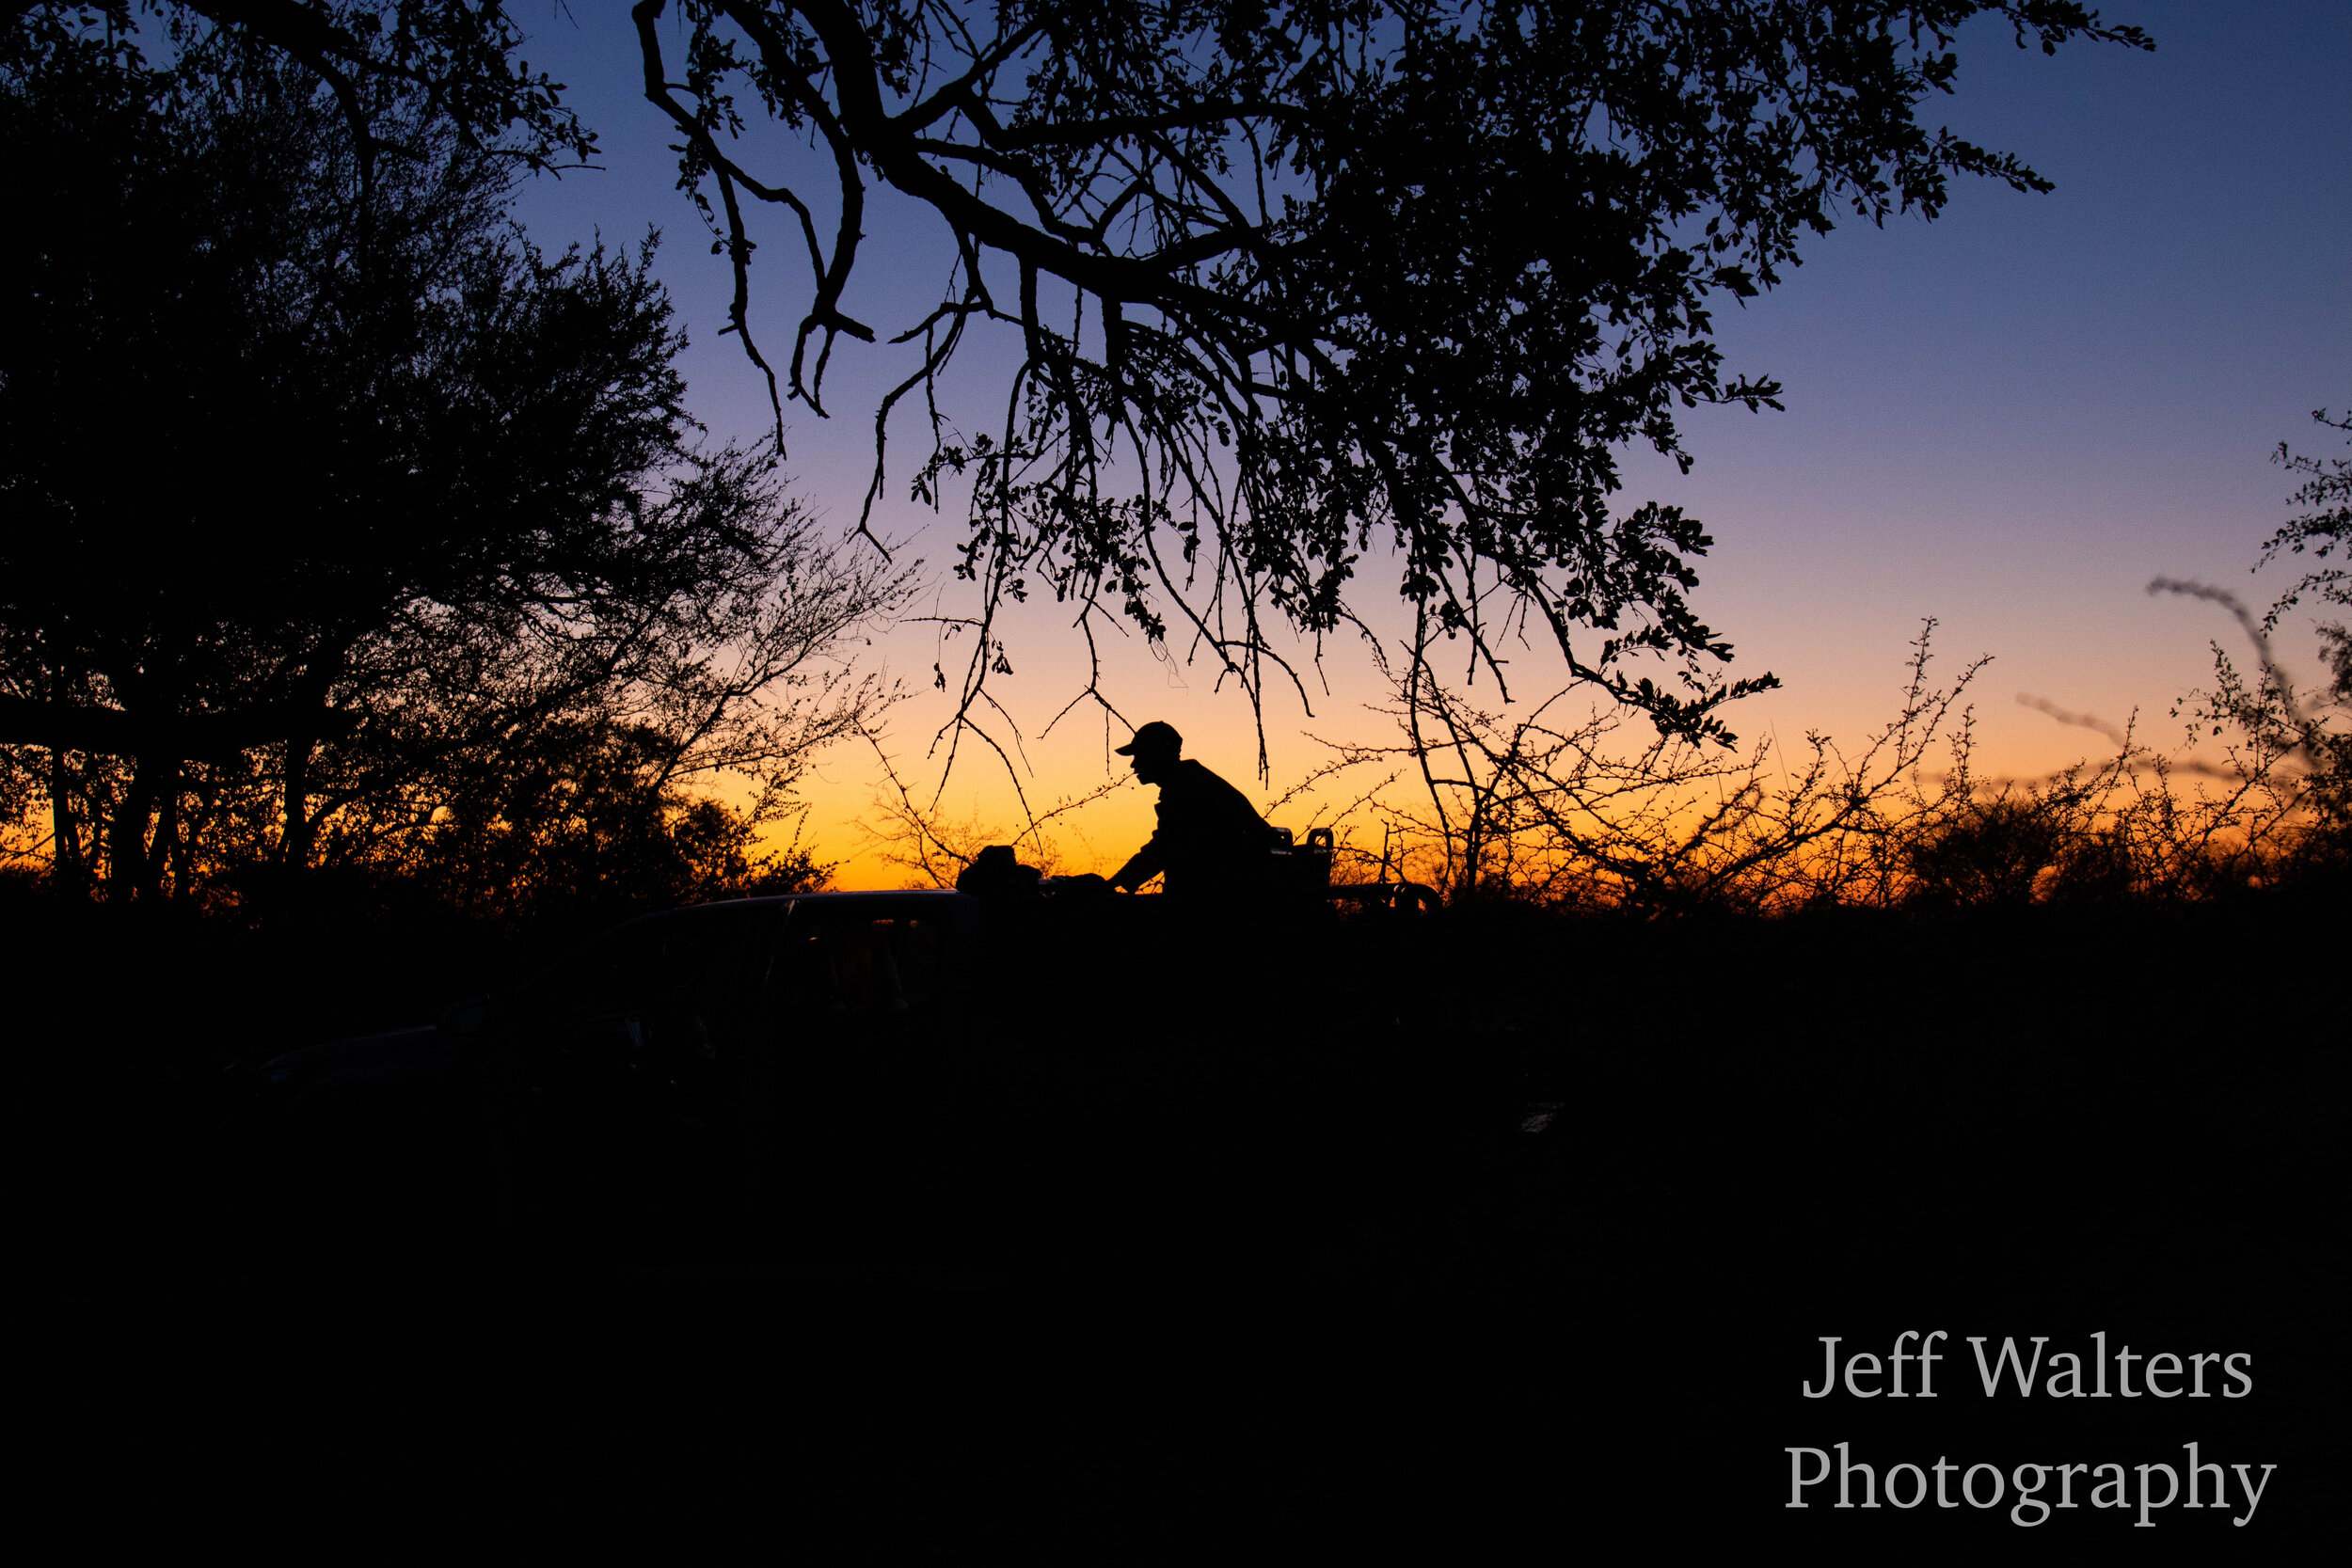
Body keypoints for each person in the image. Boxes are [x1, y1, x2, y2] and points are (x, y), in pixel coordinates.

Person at [1105, 721, 1276, 898]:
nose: (1133, 765)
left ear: (1158, 754)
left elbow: (1165, 847)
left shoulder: (1187, 789)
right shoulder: (1192, 781)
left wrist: (1112, 884)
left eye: (1139, 755)